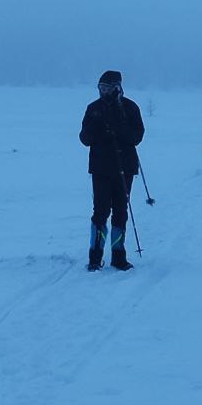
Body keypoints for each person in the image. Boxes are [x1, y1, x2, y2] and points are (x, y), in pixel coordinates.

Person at [79, 70, 145, 271]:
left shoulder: (130, 107)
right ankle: (95, 256)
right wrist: (97, 129)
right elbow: (84, 138)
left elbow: (137, 136)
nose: (103, 91)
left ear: (117, 87)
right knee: (99, 212)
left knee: (120, 211)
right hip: (100, 168)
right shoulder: (93, 108)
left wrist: (120, 128)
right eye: (101, 87)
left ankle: (118, 256)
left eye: (107, 87)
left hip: (125, 168)